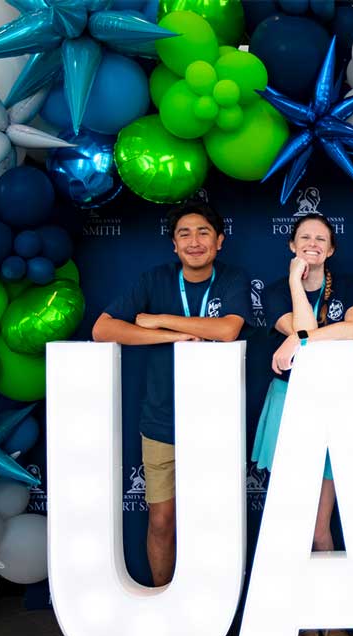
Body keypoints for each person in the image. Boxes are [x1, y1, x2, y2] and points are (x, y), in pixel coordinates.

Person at [92, 200, 249, 587]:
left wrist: (162, 318)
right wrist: (174, 337)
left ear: (220, 241)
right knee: (161, 519)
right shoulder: (154, 280)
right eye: (184, 234)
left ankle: (210, 606)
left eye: (203, 233)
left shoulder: (233, 280)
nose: (194, 241)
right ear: (174, 246)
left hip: (216, 423)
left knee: (211, 518)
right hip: (161, 421)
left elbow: (228, 329)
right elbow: (102, 329)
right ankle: (164, 601)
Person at [251, 213, 353, 636]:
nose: (313, 244)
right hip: (288, 406)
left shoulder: (349, 284)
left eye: (321, 239)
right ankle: (298, 621)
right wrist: (298, 288)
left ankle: (328, 614)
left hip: (337, 406)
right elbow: (297, 326)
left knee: (320, 526)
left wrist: (300, 341)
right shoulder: (279, 289)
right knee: (291, 524)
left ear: (331, 249)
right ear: (293, 246)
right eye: (304, 239)